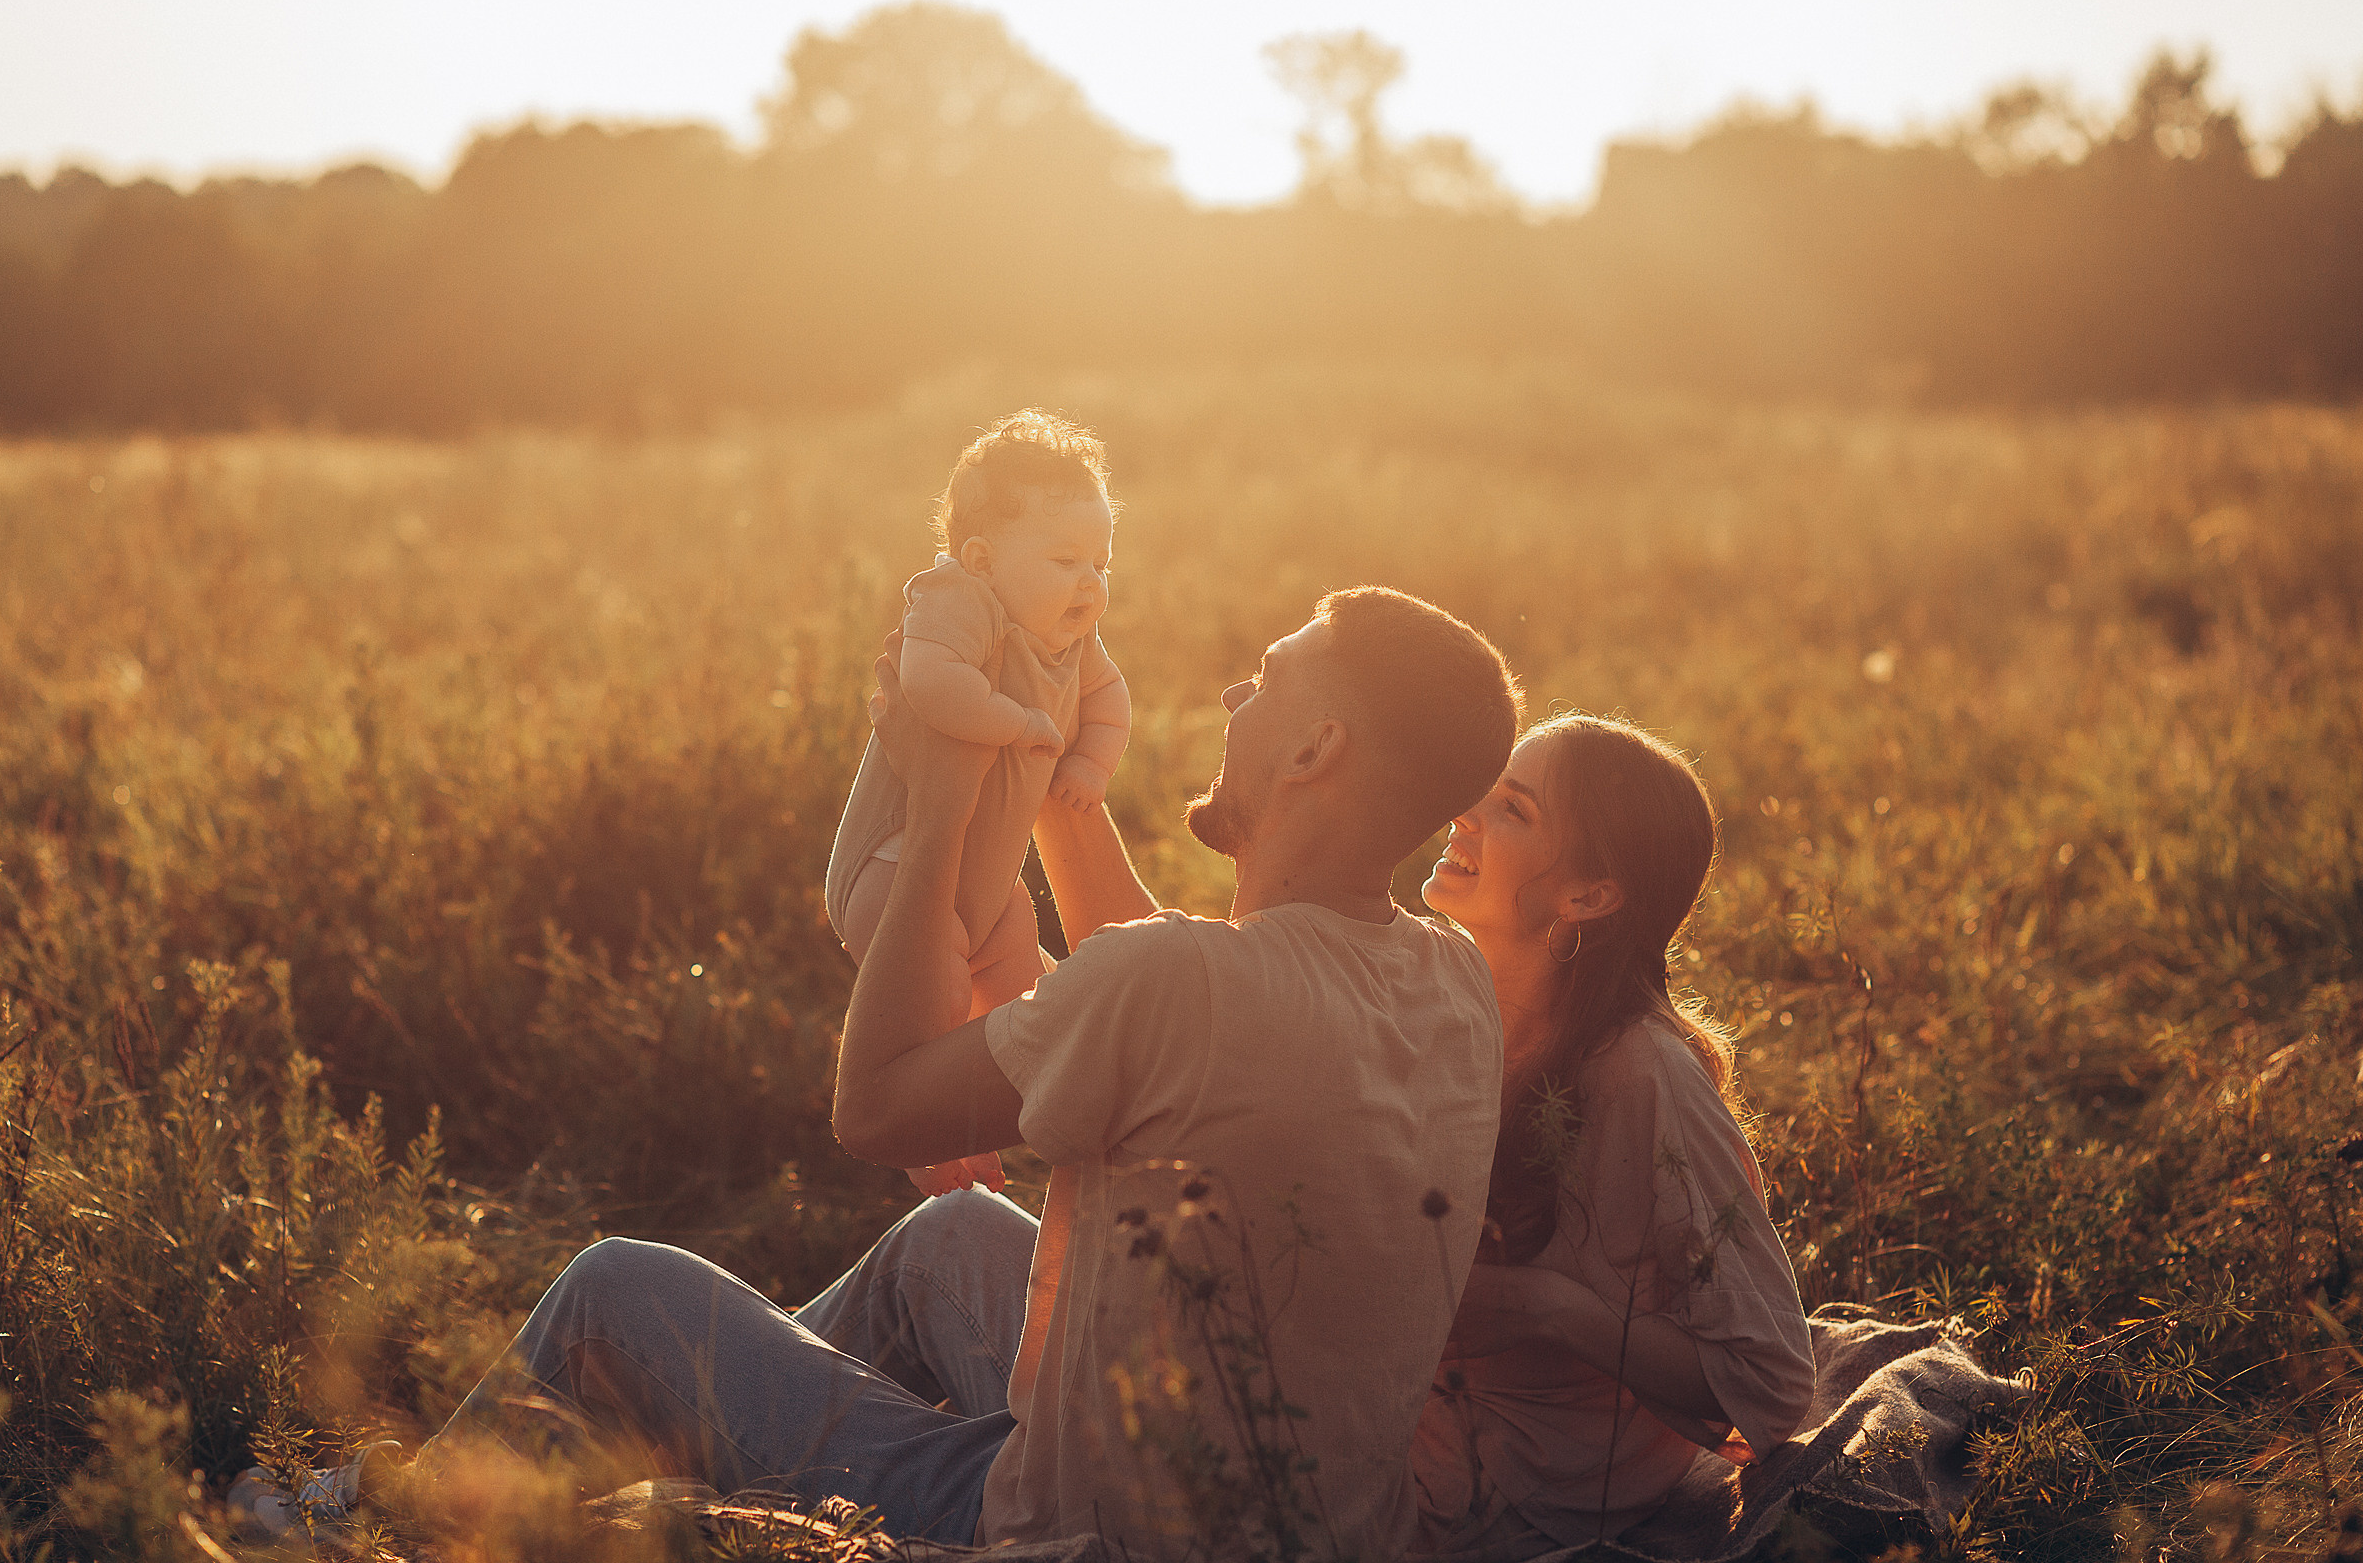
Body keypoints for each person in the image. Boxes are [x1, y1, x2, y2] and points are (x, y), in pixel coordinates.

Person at [238, 587, 1522, 1561]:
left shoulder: (1180, 987)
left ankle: (387, 1527)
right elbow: (1172, 986)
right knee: (951, 1230)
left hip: (1077, 1533)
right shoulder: (1446, 982)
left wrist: (947, 796)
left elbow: (880, 1103)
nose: (1235, 701)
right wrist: (1062, 786)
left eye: (1266, 682)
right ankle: (671, 1454)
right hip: (1308, 1524)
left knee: (611, 1286)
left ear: (1316, 752)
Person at [1405, 714, 1815, 1557]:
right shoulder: (1443, 994)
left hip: (1523, 1491)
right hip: (1414, 1426)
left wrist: (1546, 1309)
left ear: (1589, 895)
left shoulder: (1645, 1074)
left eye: (1512, 809)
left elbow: (1773, 1381)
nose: (1465, 814)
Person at [823, 409, 1131, 1197]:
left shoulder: (1072, 643)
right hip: (891, 864)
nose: (1089, 582)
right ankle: (924, 1138)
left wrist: (1091, 762)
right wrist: (1016, 722)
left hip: (987, 885)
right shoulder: (959, 600)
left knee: (1028, 983)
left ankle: (999, 1117)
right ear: (984, 559)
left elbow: (1110, 699)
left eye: (1101, 561)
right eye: (1065, 559)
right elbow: (928, 683)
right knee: (937, 1004)